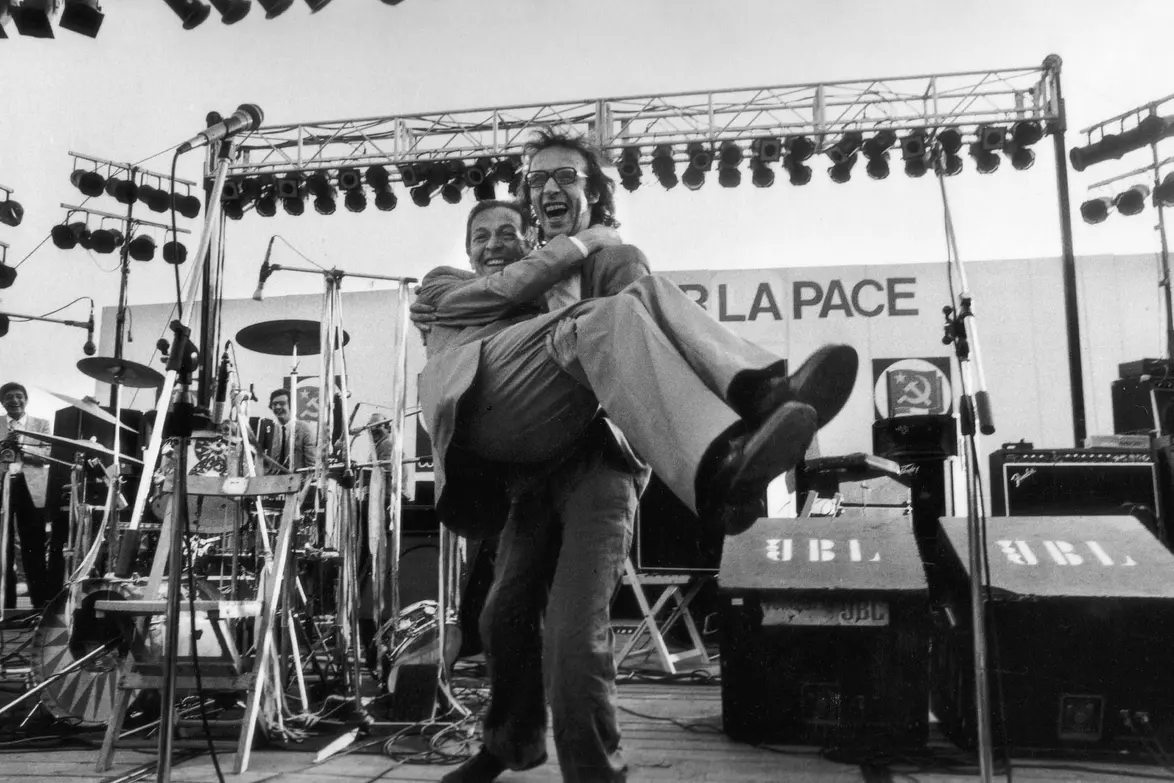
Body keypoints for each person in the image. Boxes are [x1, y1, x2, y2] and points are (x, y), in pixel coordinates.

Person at [415, 131, 856, 783]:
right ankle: (506, 741)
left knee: (573, 639)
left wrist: (602, 250)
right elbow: (517, 288)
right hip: (524, 462)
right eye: (533, 185)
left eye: (563, 179)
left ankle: (596, 773)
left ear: (593, 190)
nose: (497, 240)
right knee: (502, 616)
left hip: (596, 459)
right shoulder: (460, 285)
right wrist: (575, 248)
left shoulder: (606, 261)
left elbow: (635, 312)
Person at [0, 382, 52, 609]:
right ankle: (7, 606)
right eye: (9, 397)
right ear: (2, 402)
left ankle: (39, 607)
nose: (14, 401)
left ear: (26, 399)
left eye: (19, 396)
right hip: (2, 487)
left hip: (31, 489)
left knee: (34, 547)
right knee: (3, 547)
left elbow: (48, 453)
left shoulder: (41, 424)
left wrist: (21, 447)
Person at [262, 388, 316, 474]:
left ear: (291, 405)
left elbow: (311, 465)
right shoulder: (271, 430)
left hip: (297, 482)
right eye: (274, 404)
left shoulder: (304, 429)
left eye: (282, 404)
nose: (278, 407)